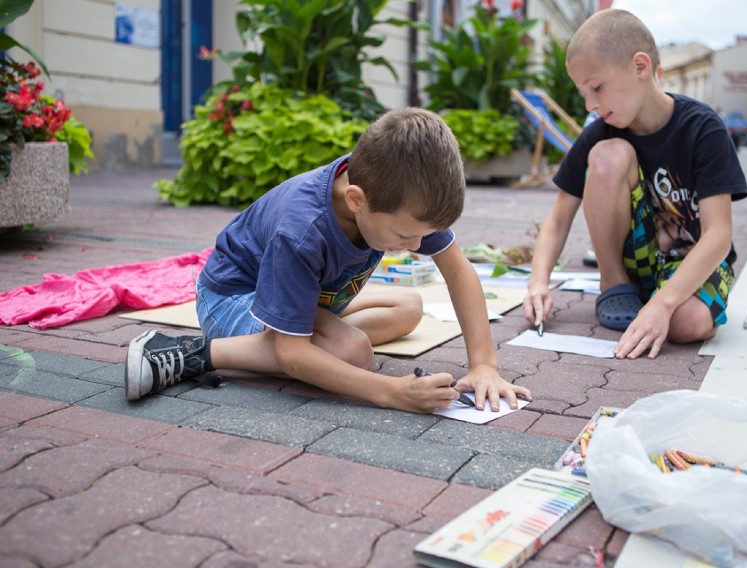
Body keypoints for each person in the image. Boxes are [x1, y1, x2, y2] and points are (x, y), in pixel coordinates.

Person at [125, 107, 532, 414]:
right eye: (404, 236)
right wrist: (393, 393)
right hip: (232, 301)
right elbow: (292, 355)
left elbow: (458, 271)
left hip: (307, 297)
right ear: (357, 200)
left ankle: (315, 337)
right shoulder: (302, 231)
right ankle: (191, 352)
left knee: (409, 307)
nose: (414, 245)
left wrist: (484, 366)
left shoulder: (400, 192)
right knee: (354, 352)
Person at [523, 9, 747, 360]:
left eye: (596, 87)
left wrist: (663, 304)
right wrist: (538, 282)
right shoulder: (601, 131)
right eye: (583, 92)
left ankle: (658, 300)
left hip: (690, 261)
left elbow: (719, 235)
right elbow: (558, 219)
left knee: (687, 325)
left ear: (640, 67)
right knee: (608, 155)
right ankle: (614, 284)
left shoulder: (703, 129)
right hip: (634, 267)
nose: (590, 105)